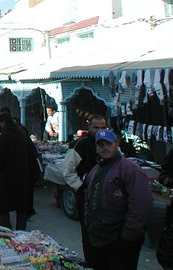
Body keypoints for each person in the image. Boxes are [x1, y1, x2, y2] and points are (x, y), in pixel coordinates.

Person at [84, 129, 153, 270]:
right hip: (98, 239)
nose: (105, 148)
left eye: (108, 144)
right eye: (101, 144)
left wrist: (127, 237)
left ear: (116, 144)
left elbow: (141, 206)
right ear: (96, 148)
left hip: (121, 241)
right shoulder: (94, 171)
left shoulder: (130, 170)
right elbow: (88, 199)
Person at [62, 114, 107, 266]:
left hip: (108, 199)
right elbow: (67, 169)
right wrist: (80, 187)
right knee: (88, 234)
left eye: (103, 128)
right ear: (89, 128)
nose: (100, 131)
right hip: (87, 197)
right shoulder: (81, 145)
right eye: (96, 127)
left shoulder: (110, 144)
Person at [0, 112, 34, 230]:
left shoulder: (5, 135)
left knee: (3, 207)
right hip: (22, 176)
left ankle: (7, 233)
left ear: (3, 122)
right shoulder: (21, 133)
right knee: (21, 208)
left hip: (7, 177)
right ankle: (21, 234)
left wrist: (0, 170)